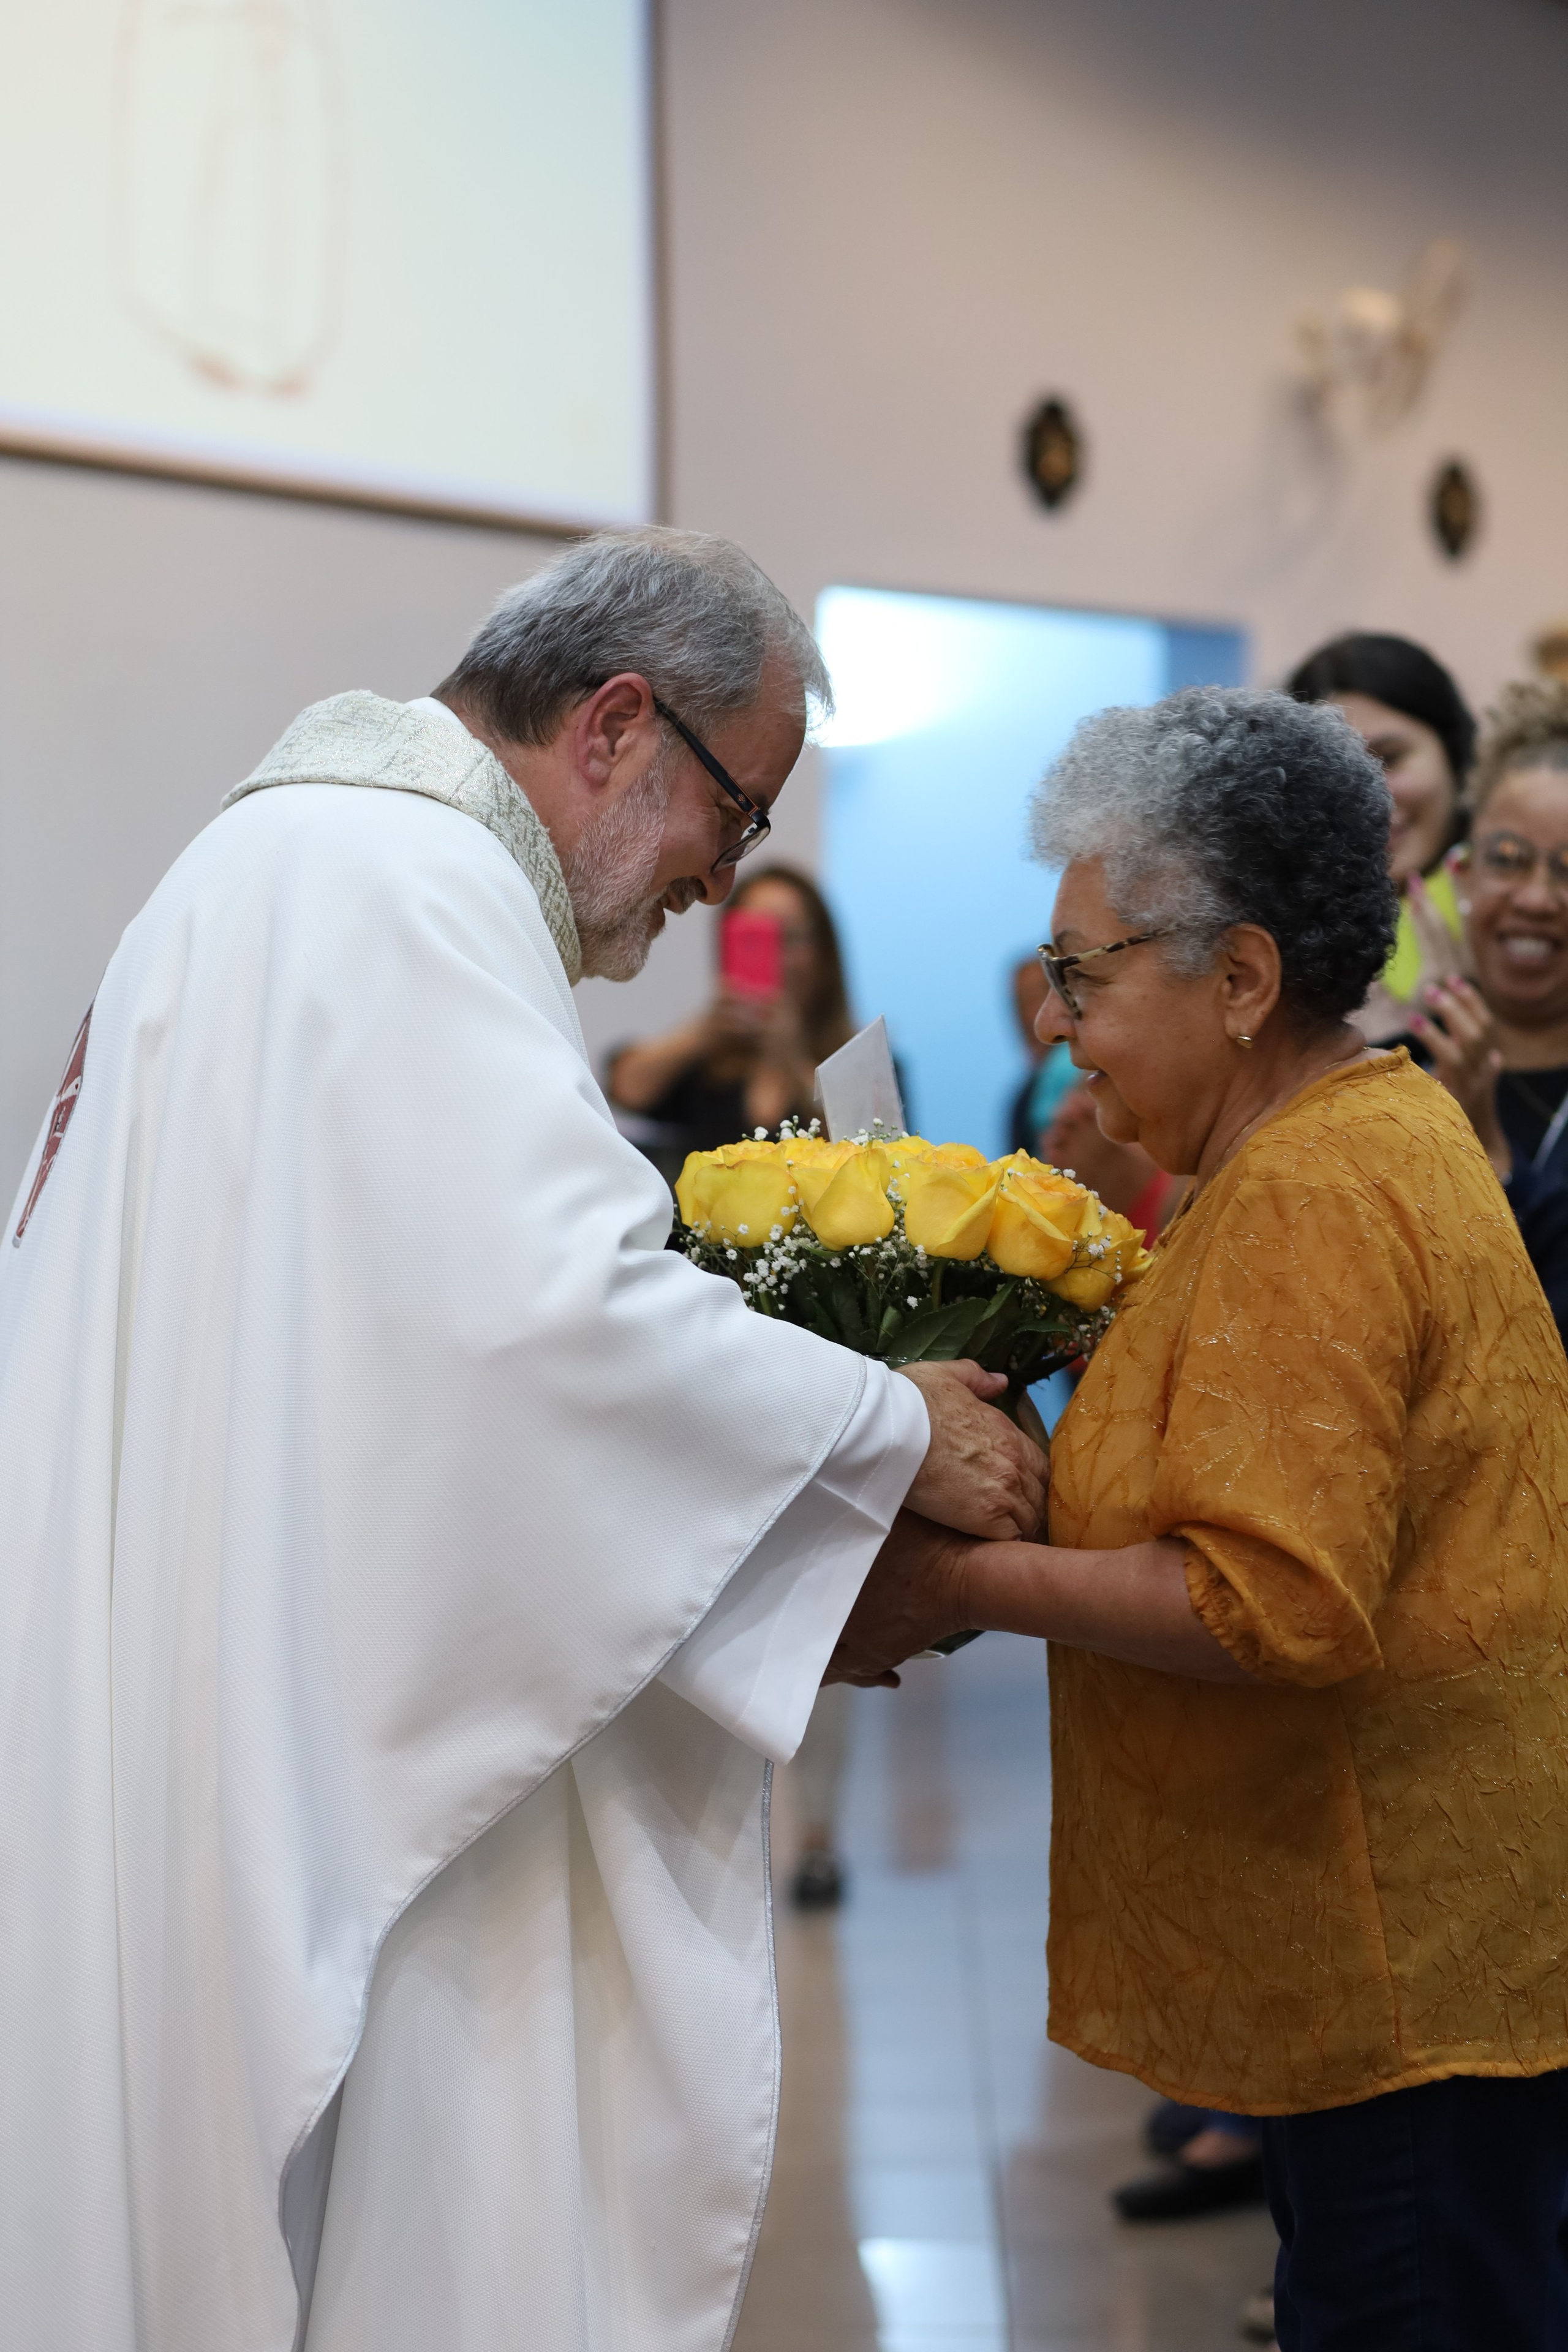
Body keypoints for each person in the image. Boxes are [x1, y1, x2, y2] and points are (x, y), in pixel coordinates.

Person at [0, 528, 1047, 2352]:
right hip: (298, 1722)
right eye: (736, 814)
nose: (713, 883)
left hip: (211, 1668)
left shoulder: (276, 860)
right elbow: (542, 1327)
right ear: (617, 724)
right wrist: (890, 1431)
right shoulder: (403, 887)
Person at [826, 686, 1568, 2350]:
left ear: (1239, 979)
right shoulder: (1332, 1141)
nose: (1058, 1016)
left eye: (1086, 970)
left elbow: (1271, 1604)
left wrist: (954, 1575)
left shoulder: (1320, 1184)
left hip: (1412, 1975)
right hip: (1418, 1957)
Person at [1287, 631, 1474, 1040]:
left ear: (1454, 754)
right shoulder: (1277, 932)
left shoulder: (1514, 905)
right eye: (1336, 769)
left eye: (1390, 759)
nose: (1368, 797)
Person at [607, 863, 854, 1158]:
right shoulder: (708, 1067)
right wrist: (705, 1029)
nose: (775, 956)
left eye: (789, 937)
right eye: (755, 940)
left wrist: (793, 1059)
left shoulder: (860, 1064)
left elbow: (867, 1154)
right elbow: (626, 1089)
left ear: (823, 952)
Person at [1004, 951, 1078, 1154]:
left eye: (1038, 996)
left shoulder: (1072, 1066)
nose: (1029, 1016)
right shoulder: (1025, 1093)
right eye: (1019, 1002)